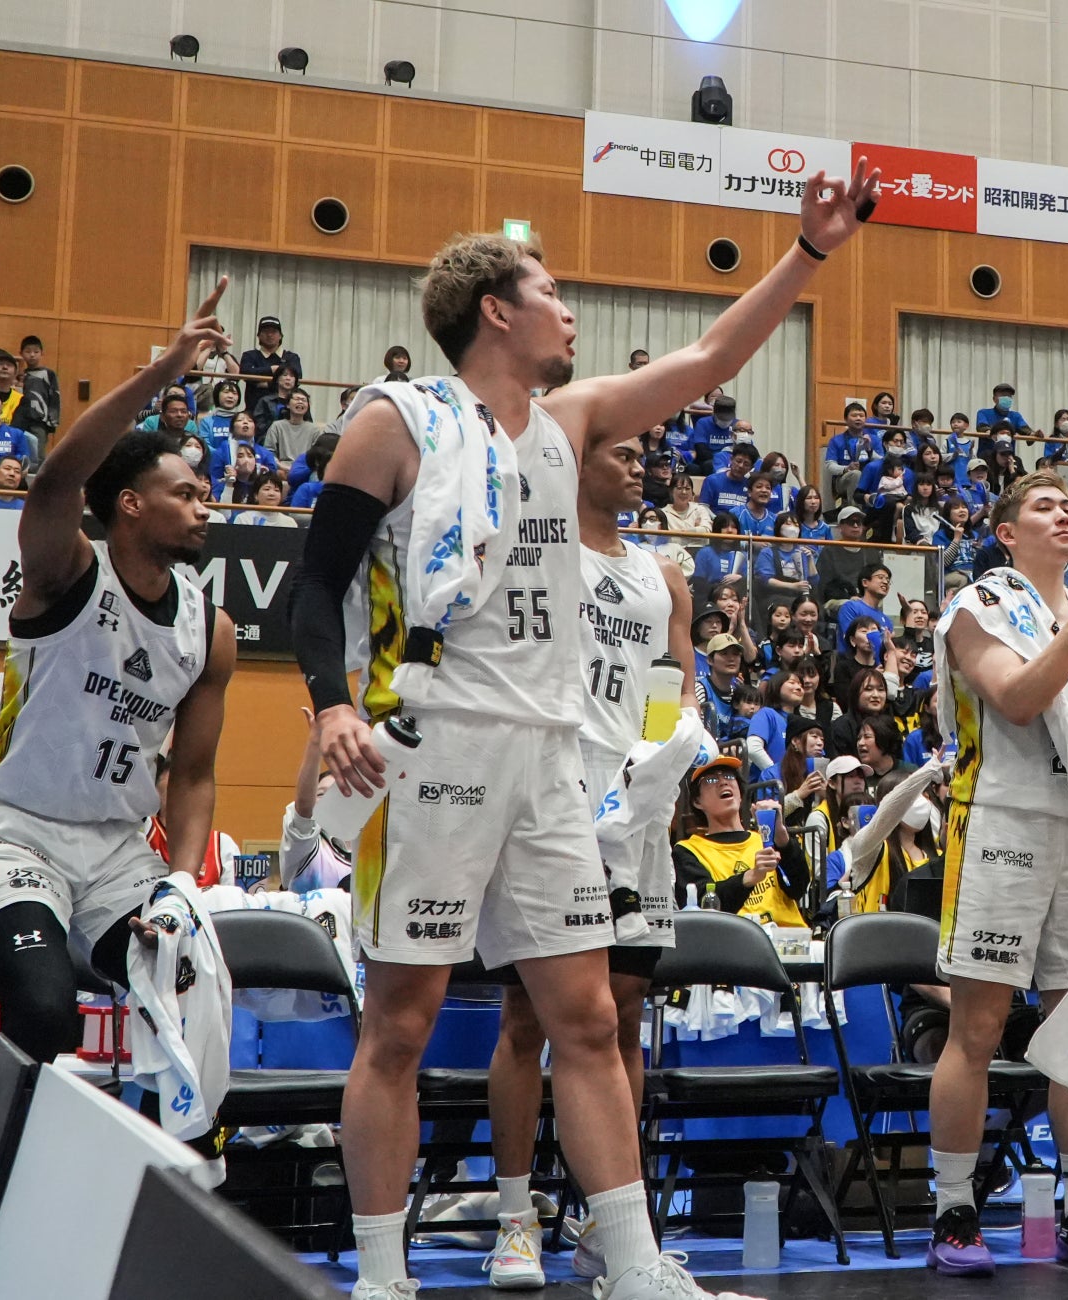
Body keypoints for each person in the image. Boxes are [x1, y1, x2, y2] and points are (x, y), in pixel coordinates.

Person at [285, 159, 878, 1300]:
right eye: (551, 292)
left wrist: (810, 250)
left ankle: (635, 1265)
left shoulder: (572, 422)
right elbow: (314, 587)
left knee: (591, 1019)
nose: (570, 312)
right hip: (437, 744)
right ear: (496, 310)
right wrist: (333, 703)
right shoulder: (396, 423)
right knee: (400, 1024)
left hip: (553, 753)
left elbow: (710, 360)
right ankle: (381, 1276)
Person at [0, 285, 238, 1171]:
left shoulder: (210, 627)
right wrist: (165, 371)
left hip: (118, 851)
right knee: (44, 1010)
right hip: (16, 831)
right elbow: (56, 479)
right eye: (184, 493)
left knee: (190, 973)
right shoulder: (65, 572)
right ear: (130, 506)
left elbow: (194, 774)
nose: (205, 505)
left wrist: (181, 882)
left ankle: (185, 1177)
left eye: (205, 492)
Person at [482, 425, 698, 1288]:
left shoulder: (664, 574)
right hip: (547, 786)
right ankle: (514, 1218)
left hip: (631, 799)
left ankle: (609, 1224)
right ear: (578, 462)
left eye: (645, 457)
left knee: (625, 1014)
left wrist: (656, 765)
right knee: (527, 1018)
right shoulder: (537, 546)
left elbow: (671, 684)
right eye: (624, 455)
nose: (641, 467)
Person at [923, 469, 1068, 1278]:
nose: (1065, 514)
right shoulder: (979, 605)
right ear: (1007, 532)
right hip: (1000, 820)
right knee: (979, 1029)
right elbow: (1019, 699)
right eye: (1044, 507)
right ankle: (954, 1211)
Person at [672, 755, 811, 923]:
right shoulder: (688, 850)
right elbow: (701, 909)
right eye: (711, 780)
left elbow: (799, 888)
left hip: (788, 934)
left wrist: (782, 838)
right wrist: (750, 877)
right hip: (736, 936)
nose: (723, 782)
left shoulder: (766, 839)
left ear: (740, 793)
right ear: (697, 801)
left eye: (729, 776)